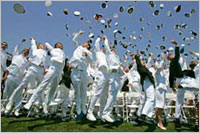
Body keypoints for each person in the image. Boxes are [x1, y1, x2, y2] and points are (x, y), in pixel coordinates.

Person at [5, 38, 48, 116]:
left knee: (42, 87)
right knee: (20, 86)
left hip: (40, 71)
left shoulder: (30, 59)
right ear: (38, 47)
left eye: (27, 52)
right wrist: (33, 40)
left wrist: (45, 69)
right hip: (32, 69)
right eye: (42, 45)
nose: (43, 46)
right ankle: (10, 102)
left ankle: (43, 107)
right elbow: (31, 46)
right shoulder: (18, 55)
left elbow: (44, 62)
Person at [24, 42, 65, 116]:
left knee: (53, 88)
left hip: (59, 71)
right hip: (53, 68)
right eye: (59, 44)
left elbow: (63, 63)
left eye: (61, 44)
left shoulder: (63, 53)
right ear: (55, 46)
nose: (61, 45)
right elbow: (46, 44)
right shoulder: (53, 50)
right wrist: (43, 46)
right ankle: (30, 102)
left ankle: (47, 104)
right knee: (43, 85)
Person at [69, 30, 93, 122]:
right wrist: (78, 33)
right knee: (77, 92)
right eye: (84, 42)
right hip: (75, 71)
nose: (84, 43)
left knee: (83, 93)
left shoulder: (89, 53)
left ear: (88, 46)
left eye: (86, 43)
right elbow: (74, 39)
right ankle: (78, 111)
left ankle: (84, 110)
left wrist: (87, 55)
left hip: (83, 73)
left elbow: (91, 61)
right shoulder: (78, 48)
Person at [101, 35, 124, 123]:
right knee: (111, 94)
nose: (114, 50)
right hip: (113, 75)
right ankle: (105, 113)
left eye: (114, 49)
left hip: (117, 76)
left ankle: (109, 113)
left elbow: (121, 70)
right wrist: (106, 39)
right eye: (112, 49)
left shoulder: (117, 58)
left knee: (114, 96)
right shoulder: (109, 55)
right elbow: (106, 46)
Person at [87, 36, 109, 122]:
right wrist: (100, 38)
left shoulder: (107, 56)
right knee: (98, 93)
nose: (103, 49)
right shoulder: (98, 53)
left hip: (107, 74)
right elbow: (96, 44)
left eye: (104, 48)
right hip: (101, 73)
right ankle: (90, 112)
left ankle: (101, 114)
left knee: (104, 96)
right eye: (102, 48)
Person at [3, 43, 30, 115]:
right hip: (11, 76)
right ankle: (5, 109)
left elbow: (27, 69)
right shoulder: (16, 56)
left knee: (19, 95)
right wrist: (22, 42)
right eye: (25, 50)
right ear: (22, 51)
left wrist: (25, 72)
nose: (26, 52)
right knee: (8, 92)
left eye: (27, 52)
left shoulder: (27, 61)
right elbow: (17, 47)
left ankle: (16, 110)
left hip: (20, 78)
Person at [135, 51, 156, 125]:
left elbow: (149, 63)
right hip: (147, 83)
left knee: (150, 99)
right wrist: (137, 57)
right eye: (142, 62)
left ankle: (145, 115)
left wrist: (151, 56)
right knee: (150, 99)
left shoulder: (145, 68)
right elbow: (138, 62)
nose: (144, 62)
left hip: (149, 83)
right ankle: (143, 115)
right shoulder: (140, 68)